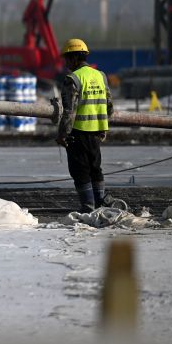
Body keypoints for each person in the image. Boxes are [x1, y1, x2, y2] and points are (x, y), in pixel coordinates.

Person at [56, 38, 114, 213]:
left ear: (74, 58)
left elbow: (69, 111)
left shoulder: (73, 79)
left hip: (78, 132)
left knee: (80, 170)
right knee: (95, 169)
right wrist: (103, 127)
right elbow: (109, 106)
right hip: (96, 132)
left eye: (67, 59)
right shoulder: (100, 76)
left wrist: (62, 134)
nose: (66, 63)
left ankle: (88, 207)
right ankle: (99, 204)